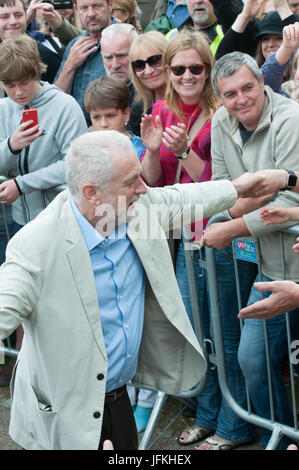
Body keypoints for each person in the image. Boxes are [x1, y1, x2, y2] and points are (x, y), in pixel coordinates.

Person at [0, 129, 264, 450]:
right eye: (130, 182)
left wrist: (242, 187)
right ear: (91, 192)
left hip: (117, 400)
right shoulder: (35, 245)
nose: (143, 189)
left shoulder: (133, 211)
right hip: (63, 416)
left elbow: (184, 197)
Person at [140, 28, 256, 451]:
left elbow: (222, 187)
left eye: (196, 68)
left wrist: (187, 149)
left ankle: (232, 426)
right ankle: (206, 415)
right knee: (190, 331)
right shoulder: (160, 110)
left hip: (219, 236)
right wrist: (152, 151)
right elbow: (149, 183)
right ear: (167, 71)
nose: (187, 76)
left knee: (226, 335)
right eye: (178, 68)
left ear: (208, 71)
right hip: (181, 242)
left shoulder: (223, 113)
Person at [201, 50, 299, 449]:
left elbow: (290, 204)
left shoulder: (290, 119)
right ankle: (277, 436)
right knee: (252, 359)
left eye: (247, 87)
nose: (241, 99)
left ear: (262, 83)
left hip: (292, 259)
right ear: (220, 99)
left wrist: (233, 228)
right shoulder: (221, 122)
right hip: (269, 268)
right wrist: (248, 209)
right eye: (230, 94)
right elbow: (223, 194)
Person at [0, 34, 87, 387]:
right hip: (22, 220)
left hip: (61, 222)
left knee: (57, 302)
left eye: (25, 82)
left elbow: (74, 164)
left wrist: (23, 183)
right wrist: (10, 145)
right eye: (9, 85)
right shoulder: (4, 110)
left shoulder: (64, 106)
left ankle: (60, 375)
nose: (19, 92)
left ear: (39, 73)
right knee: (25, 296)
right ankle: (25, 373)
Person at [54, 0, 115, 125]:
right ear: (76, 9)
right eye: (84, 8)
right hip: (73, 131)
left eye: (97, 6)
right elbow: (55, 100)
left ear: (110, 5)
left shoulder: (125, 40)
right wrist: (69, 66)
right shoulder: (74, 45)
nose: (91, 13)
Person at [0, 0, 63, 83]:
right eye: (4, 17)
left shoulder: (44, 55)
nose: (13, 22)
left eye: (18, 15)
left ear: (26, 16)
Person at [84, 75, 145, 159]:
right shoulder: (87, 149)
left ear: (126, 114)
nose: (104, 124)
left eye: (110, 116)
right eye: (97, 117)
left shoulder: (138, 151)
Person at [129, 30, 168, 135]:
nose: (148, 71)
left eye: (155, 60)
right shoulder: (139, 109)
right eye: (139, 65)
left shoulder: (189, 98)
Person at [101, 23, 138, 108]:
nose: (115, 65)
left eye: (121, 56)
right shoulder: (98, 94)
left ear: (137, 52)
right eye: (108, 57)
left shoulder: (153, 93)